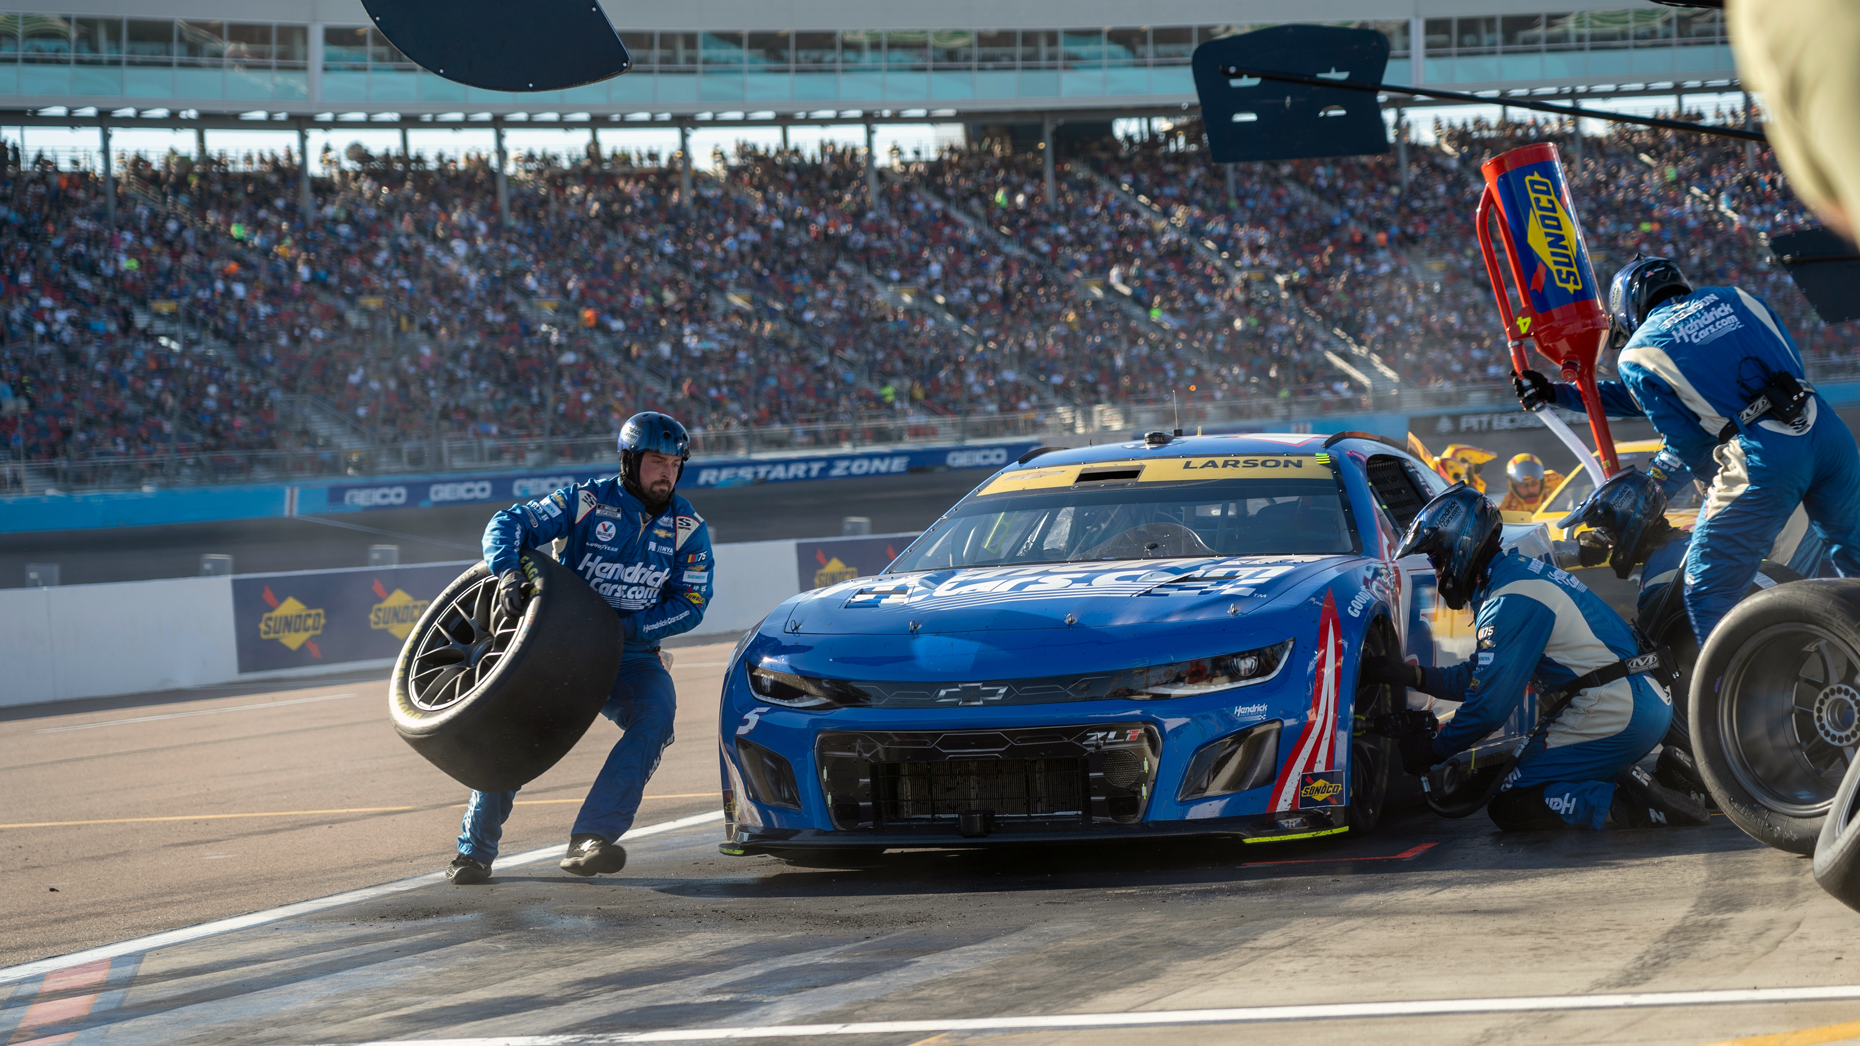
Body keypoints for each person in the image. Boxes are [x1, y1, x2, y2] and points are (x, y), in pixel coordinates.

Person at [1512, 258, 1860, 645]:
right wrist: (1558, 394)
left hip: (1767, 464)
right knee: (1853, 572)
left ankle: (1731, 702)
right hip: (1828, 433)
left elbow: (1687, 446)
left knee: (1709, 590)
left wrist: (1670, 489)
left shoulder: (1639, 351)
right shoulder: (1738, 298)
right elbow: (1789, 362)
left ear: (1627, 311)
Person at [446, 412, 713, 884]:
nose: (667, 472)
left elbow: (691, 604)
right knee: (512, 737)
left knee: (656, 714)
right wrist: (508, 571)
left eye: (675, 463)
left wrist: (627, 629)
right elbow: (506, 522)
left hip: (630, 656)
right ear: (629, 461)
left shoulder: (689, 527)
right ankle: (473, 853)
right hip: (559, 649)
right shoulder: (585, 501)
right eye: (656, 461)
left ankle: (592, 839)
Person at [1362, 484, 1708, 831]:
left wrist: (1435, 750)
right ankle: (1671, 776)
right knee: (1519, 780)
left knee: (1511, 801)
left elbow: (1488, 709)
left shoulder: (1509, 598)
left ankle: (1637, 806)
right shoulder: (1517, 575)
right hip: (1638, 702)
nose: (1436, 571)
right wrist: (1409, 676)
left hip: (1614, 709)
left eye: (1436, 558)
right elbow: (1482, 677)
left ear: (1461, 544)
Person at [1497, 452, 1564, 515]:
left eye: (1534, 483)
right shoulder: (1508, 510)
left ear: (1542, 480)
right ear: (1513, 486)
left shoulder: (1556, 480)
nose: (1530, 490)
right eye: (1523, 485)